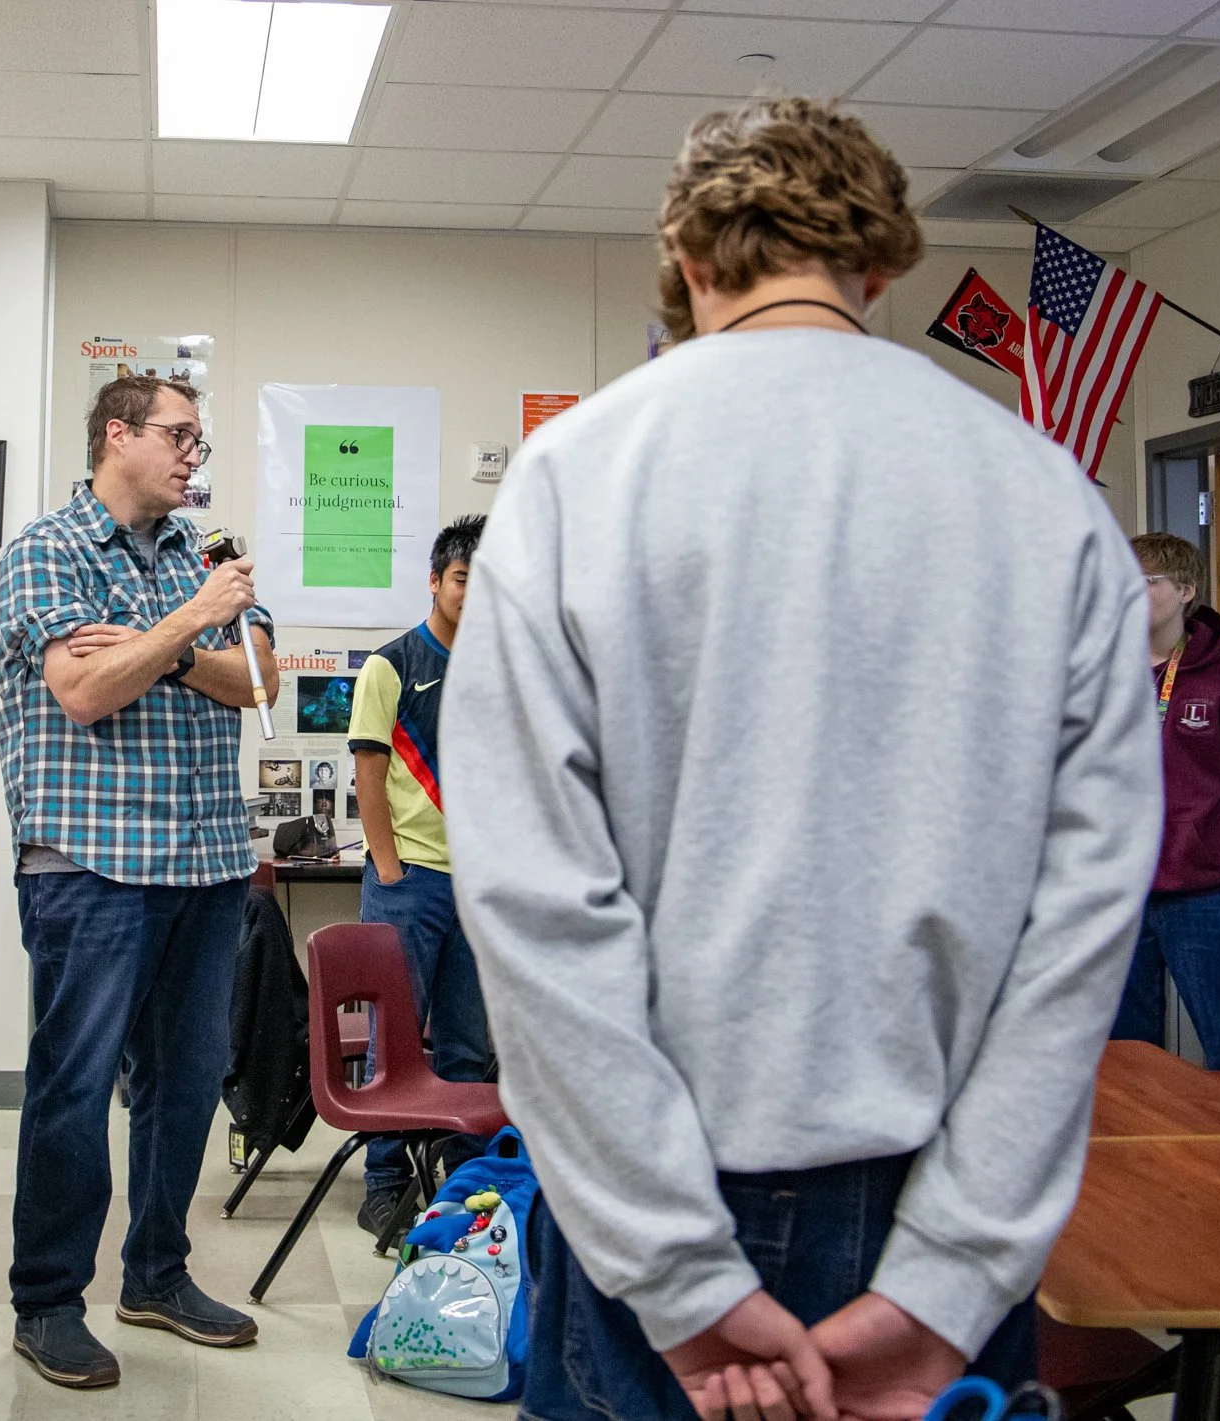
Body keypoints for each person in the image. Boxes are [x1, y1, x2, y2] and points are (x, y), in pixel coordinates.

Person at [444, 97, 1163, 1421]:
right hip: (943, 1195)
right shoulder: (1047, 496)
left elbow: (536, 909)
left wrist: (679, 1271)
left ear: (687, 254)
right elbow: (1081, 930)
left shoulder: (573, 477)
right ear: (882, 268)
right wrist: (955, 1273)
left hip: (649, 1187)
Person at [0, 373, 276, 1388]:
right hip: (90, 862)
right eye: (177, 434)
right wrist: (195, 625)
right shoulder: (48, 549)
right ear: (116, 435)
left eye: (199, 438)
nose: (194, 454)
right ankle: (47, 1299)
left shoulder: (204, 555)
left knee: (187, 1081)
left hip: (205, 863)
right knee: (72, 1087)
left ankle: (156, 1273)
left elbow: (259, 680)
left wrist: (162, 647)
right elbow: (78, 688)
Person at [348, 514, 492, 1240]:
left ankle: (468, 1187)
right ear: (436, 581)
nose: (475, 592)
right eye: (464, 578)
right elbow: (368, 774)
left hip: (481, 886)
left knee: (470, 1040)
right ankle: (385, 1183)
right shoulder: (392, 664)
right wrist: (389, 866)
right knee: (392, 1040)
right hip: (411, 883)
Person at [1110, 533, 1220, 1071]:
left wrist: (1200, 832)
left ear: (1185, 590)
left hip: (1210, 891)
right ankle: (1141, 1157)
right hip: (1119, 892)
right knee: (1126, 1055)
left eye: (1147, 582)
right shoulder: (1098, 675)